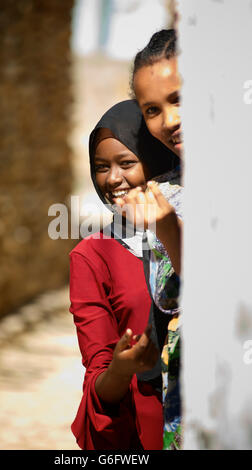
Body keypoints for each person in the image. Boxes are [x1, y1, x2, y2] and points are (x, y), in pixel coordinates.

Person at [69, 99, 180, 450]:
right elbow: (99, 379)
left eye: (126, 163)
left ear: (156, 159)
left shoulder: (196, 228)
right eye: (101, 166)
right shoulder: (92, 256)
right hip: (145, 433)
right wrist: (122, 368)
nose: (112, 179)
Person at [119, 29, 183, 450]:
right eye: (153, 110)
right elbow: (172, 299)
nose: (170, 121)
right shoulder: (166, 195)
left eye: (180, 99)